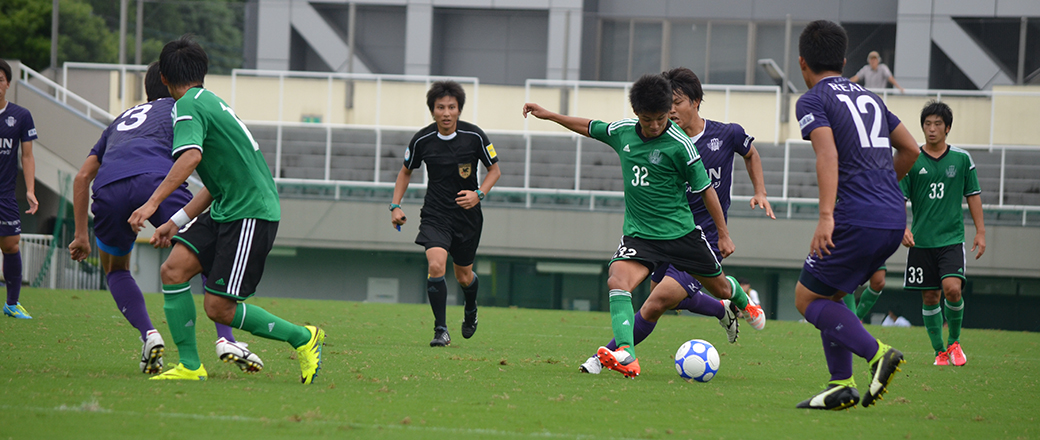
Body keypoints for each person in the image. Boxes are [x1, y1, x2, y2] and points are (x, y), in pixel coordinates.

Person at [524, 73, 755, 379]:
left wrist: (724, 234)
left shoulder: (680, 144)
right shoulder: (623, 132)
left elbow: (706, 189)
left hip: (682, 235)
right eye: (648, 120)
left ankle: (735, 296)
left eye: (661, 118)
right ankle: (626, 353)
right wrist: (550, 115)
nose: (656, 125)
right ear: (636, 114)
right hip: (641, 235)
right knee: (618, 281)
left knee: (713, 289)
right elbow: (590, 127)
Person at [128, 36, 324, 383]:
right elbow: (216, 183)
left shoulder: (187, 104)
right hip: (227, 206)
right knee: (173, 270)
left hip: (249, 212)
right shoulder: (208, 101)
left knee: (219, 307)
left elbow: (191, 157)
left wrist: (152, 203)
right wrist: (176, 220)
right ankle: (190, 366)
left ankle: (303, 338)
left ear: (163, 78)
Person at [69, 62, 264, 375]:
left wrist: (81, 235)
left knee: (116, 269)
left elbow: (81, 178)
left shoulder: (120, 120)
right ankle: (226, 340)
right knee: (203, 254)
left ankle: (149, 335)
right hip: (156, 181)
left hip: (108, 188)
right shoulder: (184, 108)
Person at [578, 68, 771, 374]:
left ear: (695, 101)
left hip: (698, 235)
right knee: (671, 301)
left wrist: (759, 192)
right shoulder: (660, 137)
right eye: (668, 103)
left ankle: (607, 356)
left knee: (657, 302)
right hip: (660, 233)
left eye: (677, 102)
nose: (669, 110)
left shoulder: (724, 134)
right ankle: (723, 308)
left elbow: (750, 154)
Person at [793, 20, 919, 410]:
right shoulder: (871, 98)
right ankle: (840, 385)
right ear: (846, 60)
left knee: (805, 299)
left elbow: (827, 154)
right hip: (891, 215)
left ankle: (877, 353)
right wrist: (881, 187)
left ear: (802, 63)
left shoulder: (813, 100)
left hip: (854, 217)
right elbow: (911, 150)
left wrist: (827, 215)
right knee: (832, 294)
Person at [390, 81, 501, 347]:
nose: (446, 112)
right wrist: (395, 205)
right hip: (435, 213)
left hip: (467, 216)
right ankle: (441, 330)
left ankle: (471, 307)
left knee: (464, 276)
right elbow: (406, 171)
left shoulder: (475, 136)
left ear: (459, 110)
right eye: (441, 107)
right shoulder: (422, 140)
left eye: (452, 107)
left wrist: (479, 194)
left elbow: (494, 170)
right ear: (433, 111)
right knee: (436, 265)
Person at [900, 100, 985, 367]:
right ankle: (940, 352)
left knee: (952, 290)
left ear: (947, 128)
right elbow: (898, 198)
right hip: (921, 241)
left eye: (937, 124)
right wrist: (902, 227)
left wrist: (980, 232)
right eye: (927, 124)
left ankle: (955, 342)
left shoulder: (961, 159)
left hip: (951, 240)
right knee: (930, 296)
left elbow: (973, 196)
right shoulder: (911, 158)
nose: (932, 129)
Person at [0, 59, 38, 319]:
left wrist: (30, 190)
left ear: (8, 84)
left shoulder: (21, 116)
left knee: (11, 245)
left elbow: (27, 156)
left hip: (5, 194)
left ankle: (12, 304)